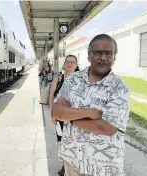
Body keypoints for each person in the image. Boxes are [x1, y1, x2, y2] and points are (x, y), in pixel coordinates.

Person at [51, 34, 130, 176]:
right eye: (98, 52)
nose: (103, 57)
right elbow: (56, 112)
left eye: (108, 53)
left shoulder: (119, 88)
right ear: (89, 55)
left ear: (114, 57)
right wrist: (90, 112)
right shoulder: (73, 79)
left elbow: (107, 127)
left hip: (102, 167)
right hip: (72, 160)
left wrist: (69, 116)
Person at [49, 55, 80, 176]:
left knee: (72, 141)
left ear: (76, 65)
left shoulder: (80, 79)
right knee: (62, 140)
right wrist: (53, 114)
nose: (70, 64)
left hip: (73, 116)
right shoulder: (59, 78)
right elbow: (52, 96)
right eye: (67, 62)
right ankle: (65, 165)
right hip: (60, 115)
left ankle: (67, 167)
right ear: (64, 64)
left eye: (72, 62)